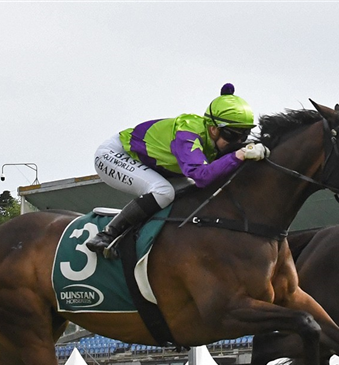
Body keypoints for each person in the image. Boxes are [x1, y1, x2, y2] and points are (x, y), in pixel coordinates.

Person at [86, 83, 270, 258]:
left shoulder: (216, 138)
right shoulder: (187, 134)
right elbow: (201, 177)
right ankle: (107, 235)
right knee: (163, 192)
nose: (238, 141)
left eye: (244, 134)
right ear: (213, 129)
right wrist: (238, 155)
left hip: (155, 166)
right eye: (232, 134)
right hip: (114, 155)